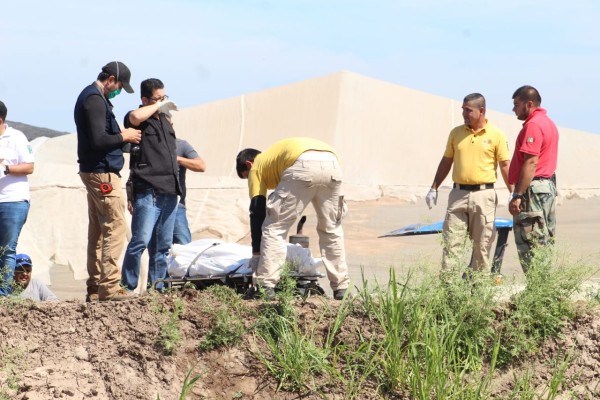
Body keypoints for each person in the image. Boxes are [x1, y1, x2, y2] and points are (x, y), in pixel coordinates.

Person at [235, 137, 350, 300]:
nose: (249, 180)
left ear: (248, 164)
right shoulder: (273, 157)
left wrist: (256, 254)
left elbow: (257, 211)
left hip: (301, 164)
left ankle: (265, 285)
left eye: (246, 177)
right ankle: (342, 288)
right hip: (332, 162)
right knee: (332, 229)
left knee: (275, 227)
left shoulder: (256, 167)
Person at [74, 61, 142, 302]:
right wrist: (124, 135)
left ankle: (95, 286)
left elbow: (102, 138)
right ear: (111, 79)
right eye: (120, 87)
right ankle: (109, 288)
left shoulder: (93, 98)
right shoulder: (94, 99)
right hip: (102, 174)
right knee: (115, 226)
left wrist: (122, 141)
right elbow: (98, 140)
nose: (119, 91)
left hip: (94, 170)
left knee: (98, 230)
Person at [426, 93, 511, 276]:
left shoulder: (496, 134)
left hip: (484, 195)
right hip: (458, 195)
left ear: (481, 111)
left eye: (468, 110)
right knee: (452, 243)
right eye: (463, 110)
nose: (464, 114)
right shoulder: (456, 133)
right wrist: (434, 187)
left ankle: (478, 288)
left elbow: (505, 165)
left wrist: (514, 192)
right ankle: (450, 288)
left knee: (482, 244)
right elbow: (447, 161)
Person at [121, 78, 181, 292]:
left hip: (170, 189)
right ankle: (127, 287)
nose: (162, 102)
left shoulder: (165, 120)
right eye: (156, 98)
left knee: (163, 246)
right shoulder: (138, 118)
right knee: (140, 241)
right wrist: (156, 106)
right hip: (149, 189)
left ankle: (157, 288)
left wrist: (164, 111)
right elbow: (134, 118)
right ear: (145, 99)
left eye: (163, 98)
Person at [508, 85, 559, 272]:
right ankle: (542, 289)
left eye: (516, 104)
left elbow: (531, 162)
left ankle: (537, 290)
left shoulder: (534, 125)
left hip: (533, 190)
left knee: (530, 241)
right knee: (543, 239)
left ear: (529, 104)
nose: (514, 109)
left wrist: (518, 195)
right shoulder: (548, 123)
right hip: (545, 187)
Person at [0, 101, 35, 297]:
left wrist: (6, 167)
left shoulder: (16, 137)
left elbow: (29, 166)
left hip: (12, 201)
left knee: (7, 248)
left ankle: (2, 293)